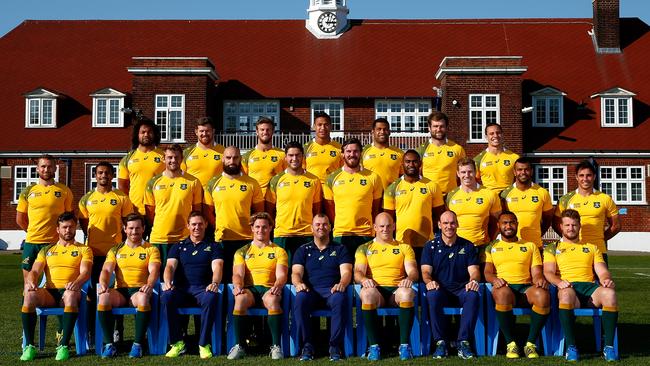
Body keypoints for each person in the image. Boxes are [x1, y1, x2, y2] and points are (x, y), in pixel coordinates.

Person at [544, 209, 619, 362]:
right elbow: (548, 272)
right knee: (565, 294)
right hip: (569, 288)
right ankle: (571, 347)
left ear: (579, 226)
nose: (570, 228)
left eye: (574, 225)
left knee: (610, 294)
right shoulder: (552, 247)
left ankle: (609, 347)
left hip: (590, 288)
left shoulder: (592, 247)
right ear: (561, 226)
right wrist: (559, 282)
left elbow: (602, 270)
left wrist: (606, 279)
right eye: (567, 225)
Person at [20, 212, 93, 362]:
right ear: (57, 230)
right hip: (50, 293)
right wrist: (31, 281)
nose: (68, 230)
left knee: (71, 294)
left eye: (71, 227)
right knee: (29, 295)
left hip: (70, 291)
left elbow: (85, 272)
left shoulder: (84, 249)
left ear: (75, 229)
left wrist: (77, 283)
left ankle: (63, 346)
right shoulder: (46, 250)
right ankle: (29, 346)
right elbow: (34, 270)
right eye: (64, 227)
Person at [79, 161, 134, 343]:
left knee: (117, 291)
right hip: (94, 254)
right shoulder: (86, 199)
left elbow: (127, 225)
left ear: (112, 175)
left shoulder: (122, 197)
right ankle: (92, 331)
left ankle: (118, 330)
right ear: (95, 176)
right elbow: (85, 224)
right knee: (92, 294)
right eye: (100, 173)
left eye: (107, 173)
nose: (104, 176)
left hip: (117, 254)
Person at [483, 211, 550, 359]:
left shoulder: (530, 246)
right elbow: (487, 272)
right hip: (505, 288)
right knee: (502, 293)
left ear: (517, 224)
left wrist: (539, 279)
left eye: (512, 222)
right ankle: (511, 344)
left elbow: (537, 272)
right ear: (498, 225)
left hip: (525, 288)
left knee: (543, 295)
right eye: (505, 223)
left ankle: (530, 344)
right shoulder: (491, 246)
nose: (508, 226)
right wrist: (494, 279)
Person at [354, 213, 418, 361]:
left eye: (389, 226)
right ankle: (374, 346)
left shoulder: (404, 247)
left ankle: (404, 346)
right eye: (381, 226)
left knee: (407, 293)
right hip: (377, 291)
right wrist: (364, 279)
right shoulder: (364, 248)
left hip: (396, 290)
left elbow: (413, 270)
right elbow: (358, 273)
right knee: (367, 294)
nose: (385, 229)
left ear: (394, 226)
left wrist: (409, 278)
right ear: (375, 227)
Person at [96, 213, 160, 358]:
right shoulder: (115, 249)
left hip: (139, 291)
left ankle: (137, 345)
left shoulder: (151, 249)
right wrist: (104, 284)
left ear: (143, 229)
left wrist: (149, 284)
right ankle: (109, 345)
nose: (134, 231)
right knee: (104, 297)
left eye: (138, 228)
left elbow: (154, 270)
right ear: (124, 229)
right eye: (131, 228)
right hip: (120, 292)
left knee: (143, 299)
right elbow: (106, 269)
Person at [161, 211, 224, 359]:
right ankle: (177, 343)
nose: (197, 227)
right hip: (181, 290)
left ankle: (203, 344)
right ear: (188, 226)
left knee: (211, 297)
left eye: (200, 224)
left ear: (206, 225)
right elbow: (170, 266)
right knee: (166, 296)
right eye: (194, 224)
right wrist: (168, 281)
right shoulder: (178, 246)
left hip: (203, 289)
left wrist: (214, 283)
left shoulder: (214, 246)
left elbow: (218, 266)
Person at [227, 212, 289, 360]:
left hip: (269, 289)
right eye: (257, 227)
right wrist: (238, 285)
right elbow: (238, 274)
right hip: (250, 290)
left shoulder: (279, 251)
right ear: (252, 229)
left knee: (273, 300)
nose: (261, 230)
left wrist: (278, 285)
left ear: (270, 228)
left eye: (264, 227)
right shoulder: (242, 251)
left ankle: (275, 347)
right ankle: (239, 346)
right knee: (240, 299)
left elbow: (281, 275)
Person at [291, 214, 353, 361]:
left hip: (332, 291)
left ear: (330, 227)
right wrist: (299, 284)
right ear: (311, 228)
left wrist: (342, 284)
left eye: (325, 224)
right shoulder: (302, 250)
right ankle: (307, 346)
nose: (321, 227)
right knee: (300, 299)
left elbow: (346, 272)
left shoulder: (340, 249)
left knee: (339, 298)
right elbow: (296, 273)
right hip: (310, 292)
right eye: (317, 224)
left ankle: (334, 346)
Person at [421, 210, 480, 359]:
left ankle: (463, 342)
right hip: (441, 290)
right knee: (432, 295)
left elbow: (474, 271)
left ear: (457, 224)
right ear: (439, 225)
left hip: (461, 290)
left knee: (473, 295)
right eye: (445, 223)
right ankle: (441, 343)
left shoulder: (467, 246)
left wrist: (473, 281)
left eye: (452, 223)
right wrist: (429, 282)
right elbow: (426, 272)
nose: (449, 226)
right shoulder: (430, 246)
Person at [204, 146, 264, 282]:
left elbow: (259, 213)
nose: (232, 161)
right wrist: (219, 227)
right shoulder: (212, 183)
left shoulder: (252, 183)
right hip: (222, 239)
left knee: (245, 279)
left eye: (235, 157)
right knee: (223, 279)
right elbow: (208, 212)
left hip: (246, 239)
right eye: (228, 157)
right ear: (223, 159)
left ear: (240, 159)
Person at [17, 154, 73, 282]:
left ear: (55, 169)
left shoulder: (64, 191)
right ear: (37, 168)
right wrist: (33, 231)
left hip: (54, 243)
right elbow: (20, 219)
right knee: (29, 279)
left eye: (49, 167)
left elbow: (69, 218)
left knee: (54, 279)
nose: (46, 170)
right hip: (32, 243)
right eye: (43, 166)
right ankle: (27, 302)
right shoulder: (27, 191)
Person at [144, 144, 202, 264]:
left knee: (182, 278)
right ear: (164, 159)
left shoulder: (193, 182)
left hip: (184, 238)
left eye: (176, 157)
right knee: (160, 279)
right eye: (170, 157)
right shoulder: (153, 182)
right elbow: (150, 213)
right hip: (160, 238)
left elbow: (197, 211)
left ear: (181, 159)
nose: (173, 160)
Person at [554, 160, 620, 263]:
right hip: (572, 250)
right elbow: (556, 224)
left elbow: (616, 226)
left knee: (602, 279)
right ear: (576, 177)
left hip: (598, 250)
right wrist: (569, 238)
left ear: (594, 177)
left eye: (588, 175)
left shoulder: (605, 198)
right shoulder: (565, 199)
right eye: (581, 175)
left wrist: (601, 238)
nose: (585, 179)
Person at [324, 138, 382, 254]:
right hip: (341, 234)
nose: (352, 155)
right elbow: (330, 208)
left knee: (365, 271)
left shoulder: (373, 177)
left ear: (361, 153)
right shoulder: (331, 178)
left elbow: (376, 208)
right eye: (348, 151)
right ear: (342, 154)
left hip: (365, 234)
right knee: (342, 271)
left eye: (356, 151)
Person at [384, 149, 445, 261]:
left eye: (414, 161)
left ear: (420, 163)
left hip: (427, 243)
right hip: (402, 243)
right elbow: (389, 218)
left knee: (426, 276)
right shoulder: (392, 188)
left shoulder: (432, 186)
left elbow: (439, 215)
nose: (411, 164)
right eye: (408, 161)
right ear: (402, 164)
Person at [266, 141, 322, 261]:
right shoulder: (276, 180)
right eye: (291, 155)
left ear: (303, 157)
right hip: (282, 234)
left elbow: (317, 209)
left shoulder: (314, 180)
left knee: (304, 273)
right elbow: (270, 210)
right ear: (285, 157)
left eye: (298, 155)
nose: (294, 158)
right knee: (283, 272)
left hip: (306, 234)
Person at [446, 158, 501, 247]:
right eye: (463, 172)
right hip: (457, 246)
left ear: (475, 172)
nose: (467, 175)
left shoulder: (490, 194)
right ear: (458, 174)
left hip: (481, 246)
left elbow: (496, 223)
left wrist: (490, 243)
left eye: (470, 171)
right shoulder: (450, 196)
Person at [500, 158, 553, 249]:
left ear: (531, 171)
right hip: (513, 246)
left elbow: (548, 218)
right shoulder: (504, 194)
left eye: (526, 169)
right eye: (519, 169)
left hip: (536, 246)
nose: (523, 172)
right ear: (514, 172)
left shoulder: (542, 192)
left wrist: (538, 233)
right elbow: (501, 221)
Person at [118, 119, 165, 217]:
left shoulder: (164, 156)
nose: (146, 135)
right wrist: (129, 207)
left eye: (149, 132)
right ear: (137, 135)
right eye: (143, 132)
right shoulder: (127, 159)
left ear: (155, 134)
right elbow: (123, 187)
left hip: (159, 210)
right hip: (135, 211)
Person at [418, 112, 466, 195]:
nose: (439, 129)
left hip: (451, 196)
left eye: (442, 126)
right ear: (429, 128)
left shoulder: (457, 149)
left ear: (447, 127)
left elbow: (464, 174)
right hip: (429, 196)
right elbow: (417, 175)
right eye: (435, 126)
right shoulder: (421, 150)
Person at [242, 117, 286, 198]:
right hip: (254, 199)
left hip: (275, 199)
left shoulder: (282, 155)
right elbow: (243, 181)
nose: (265, 132)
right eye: (262, 129)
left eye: (268, 129)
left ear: (273, 131)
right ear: (256, 132)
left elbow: (288, 177)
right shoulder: (247, 156)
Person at [473, 122, 520, 192]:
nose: (495, 136)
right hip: (489, 199)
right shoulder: (478, 160)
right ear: (486, 137)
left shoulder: (515, 158)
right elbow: (474, 181)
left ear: (502, 135)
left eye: (498, 133)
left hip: (508, 198)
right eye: (491, 133)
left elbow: (521, 180)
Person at [181, 116, 226, 188]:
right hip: (194, 196)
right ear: (196, 132)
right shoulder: (186, 153)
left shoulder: (224, 152)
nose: (204, 134)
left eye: (207, 131)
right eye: (201, 131)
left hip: (215, 196)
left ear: (213, 131)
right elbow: (181, 177)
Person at [362, 117, 404, 188]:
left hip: (391, 196)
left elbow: (403, 177)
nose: (382, 132)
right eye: (379, 129)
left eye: (385, 129)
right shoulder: (363, 152)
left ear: (389, 132)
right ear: (373, 131)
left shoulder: (399, 153)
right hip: (370, 196)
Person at [304, 112, 343, 183]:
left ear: (331, 126)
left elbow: (344, 172)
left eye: (326, 125)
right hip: (312, 189)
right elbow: (301, 172)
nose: (323, 128)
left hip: (331, 189)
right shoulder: (305, 148)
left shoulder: (340, 148)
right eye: (319, 125)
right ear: (314, 127)